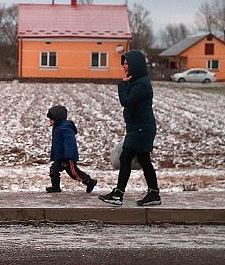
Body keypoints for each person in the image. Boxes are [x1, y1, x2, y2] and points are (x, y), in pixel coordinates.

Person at [99, 50, 161, 206]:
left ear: (135, 65)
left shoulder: (142, 84)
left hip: (141, 129)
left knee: (125, 158)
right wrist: (127, 83)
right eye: (124, 63)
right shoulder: (138, 82)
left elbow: (126, 101)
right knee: (144, 160)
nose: (124, 66)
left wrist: (122, 83)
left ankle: (118, 194)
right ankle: (153, 193)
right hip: (139, 128)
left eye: (127, 63)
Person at [45, 105, 98, 193]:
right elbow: (56, 144)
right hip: (60, 157)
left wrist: (68, 155)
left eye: (51, 119)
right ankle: (55, 187)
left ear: (57, 118)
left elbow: (69, 143)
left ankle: (89, 181)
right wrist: (54, 155)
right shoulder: (57, 128)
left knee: (74, 173)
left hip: (67, 157)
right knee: (53, 170)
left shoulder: (65, 128)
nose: (50, 121)